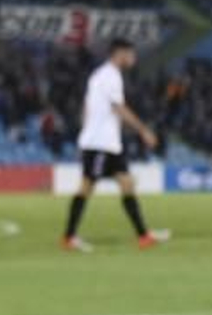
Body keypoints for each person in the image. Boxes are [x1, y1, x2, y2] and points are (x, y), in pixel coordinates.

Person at [60, 39, 171, 252]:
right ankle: (68, 237)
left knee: (127, 183)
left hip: (107, 143)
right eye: (131, 54)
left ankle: (143, 235)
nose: (133, 58)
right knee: (86, 187)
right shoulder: (111, 76)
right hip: (100, 143)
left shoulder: (99, 75)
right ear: (120, 53)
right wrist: (144, 130)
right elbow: (119, 108)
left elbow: (87, 106)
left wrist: (86, 130)